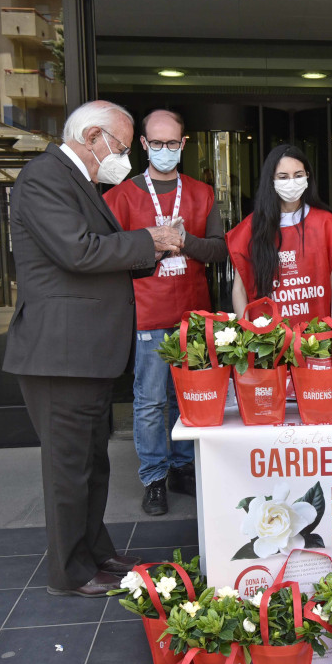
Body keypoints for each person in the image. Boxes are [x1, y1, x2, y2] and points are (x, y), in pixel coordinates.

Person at [4, 100, 184, 597]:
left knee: (90, 463)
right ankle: (71, 571)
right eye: (122, 147)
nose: (123, 156)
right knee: (69, 469)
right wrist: (149, 239)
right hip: (60, 354)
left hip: (83, 353)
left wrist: (154, 248)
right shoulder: (44, 178)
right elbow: (78, 251)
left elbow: (96, 252)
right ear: (92, 137)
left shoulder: (75, 180)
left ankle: (95, 551)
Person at [104, 109, 228, 516]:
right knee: (151, 401)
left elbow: (219, 250)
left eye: (172, 144)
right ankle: (154, 478)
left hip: (194, 315)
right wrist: (153, 245)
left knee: (187, 398)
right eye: (155, 144)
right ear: (142, 144)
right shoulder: (120, 197)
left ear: (184, 144)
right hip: (148, 314)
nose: (164, 151)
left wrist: (184, 240)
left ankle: (182, 467)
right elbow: (111, 256)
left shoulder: (202, 193)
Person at [226, 144, 332, 324]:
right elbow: (239, 290)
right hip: (267, 342)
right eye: (283, 177)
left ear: (307, 177)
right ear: (271, 180)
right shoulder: (250, 228)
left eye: (298, 175)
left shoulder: (327, 224)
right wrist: (247, 335)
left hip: (316, 341)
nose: (292, 182)